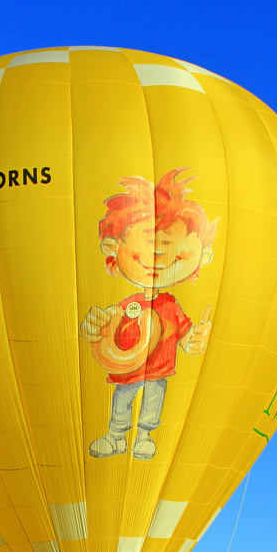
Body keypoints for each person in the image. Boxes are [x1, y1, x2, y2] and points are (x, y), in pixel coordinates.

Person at [80, 170, 217, 460]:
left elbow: (184, 334)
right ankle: (116, 436)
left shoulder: (170, 307)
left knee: (152, 401)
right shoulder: (129, 303)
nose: (157, 256)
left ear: (202, 256)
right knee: (122, 399)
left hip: (159, 369)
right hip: (126, 369)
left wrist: (196, 340)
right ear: (112, 248)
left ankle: (144, 436)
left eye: (174, 252)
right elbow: (110, 326)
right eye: (144, 249)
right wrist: (94, 328)